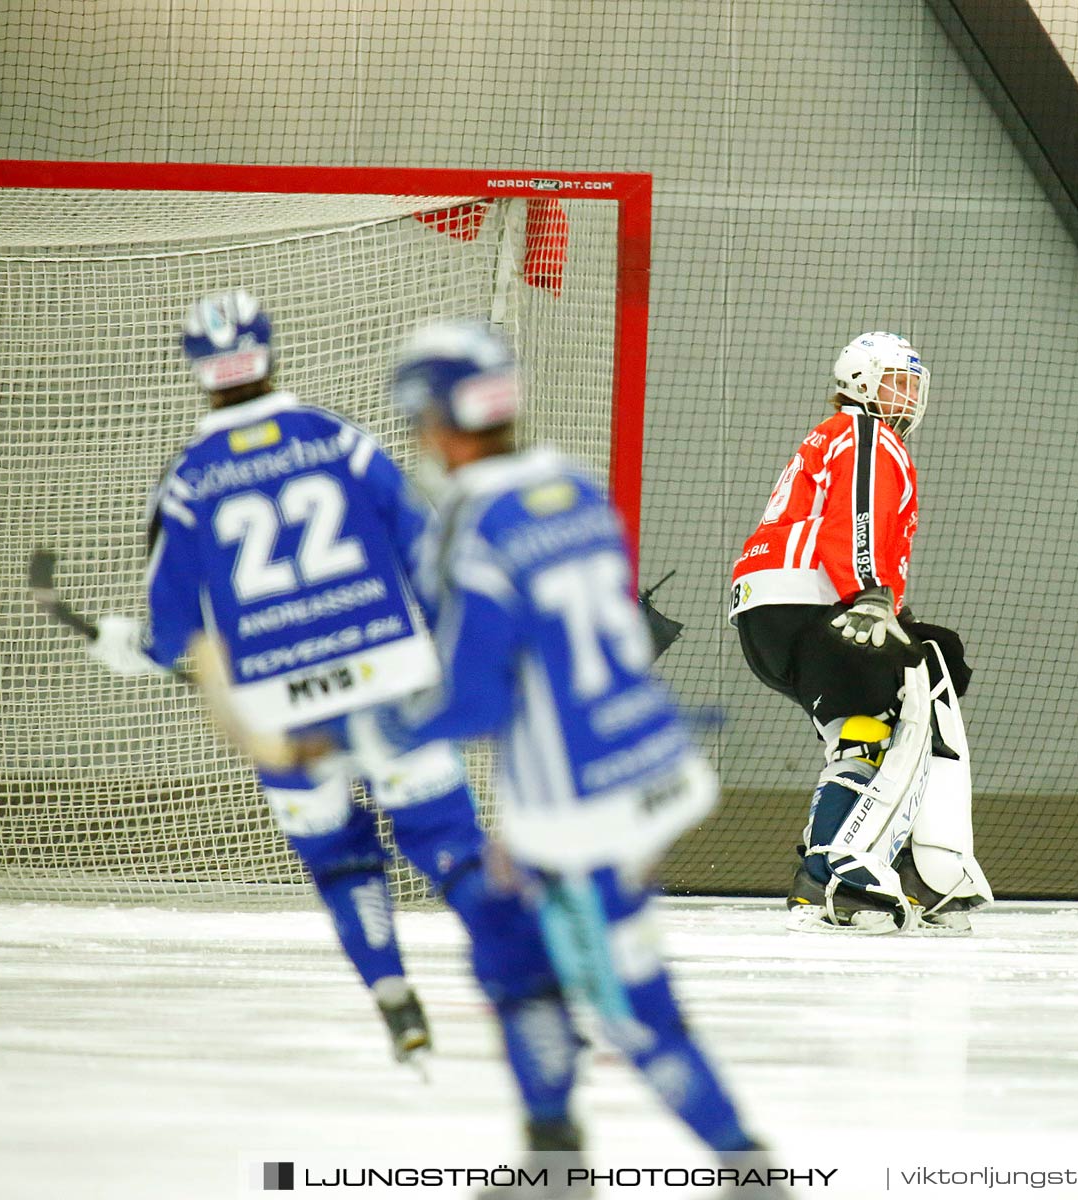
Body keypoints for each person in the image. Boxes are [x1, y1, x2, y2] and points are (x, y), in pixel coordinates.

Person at [327, 319, 775, 1193]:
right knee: (513, 956)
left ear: (437, 417)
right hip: (644, 765)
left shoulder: (471, 519)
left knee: (628, 1009)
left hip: (582, 808)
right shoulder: (571, 487)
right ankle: (551, 1153)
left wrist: (379, 733)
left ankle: (749, 1172)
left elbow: (478, 696)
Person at [83, 290, 550, 1070]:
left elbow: (174, 632)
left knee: (338, 856)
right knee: (448, 841)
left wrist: (132, 648)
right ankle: (527, 985)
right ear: (269, 351)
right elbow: (425, 547)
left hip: (280, 709)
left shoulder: (190, 479)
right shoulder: (339, 440)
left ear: (198, 367)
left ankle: (391, 991)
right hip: (389, 679)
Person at [729, 332, 992, 935]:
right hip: (818, 599)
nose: (909, 397)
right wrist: (871, 593)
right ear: (860, 383)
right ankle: (865, 870)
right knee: (925, 679)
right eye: (897, 381)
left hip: (770, 614)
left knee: (861, 735)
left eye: (914, 385)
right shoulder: (865, 433)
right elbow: (858, 509)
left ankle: (827, 879)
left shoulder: (835, 437)